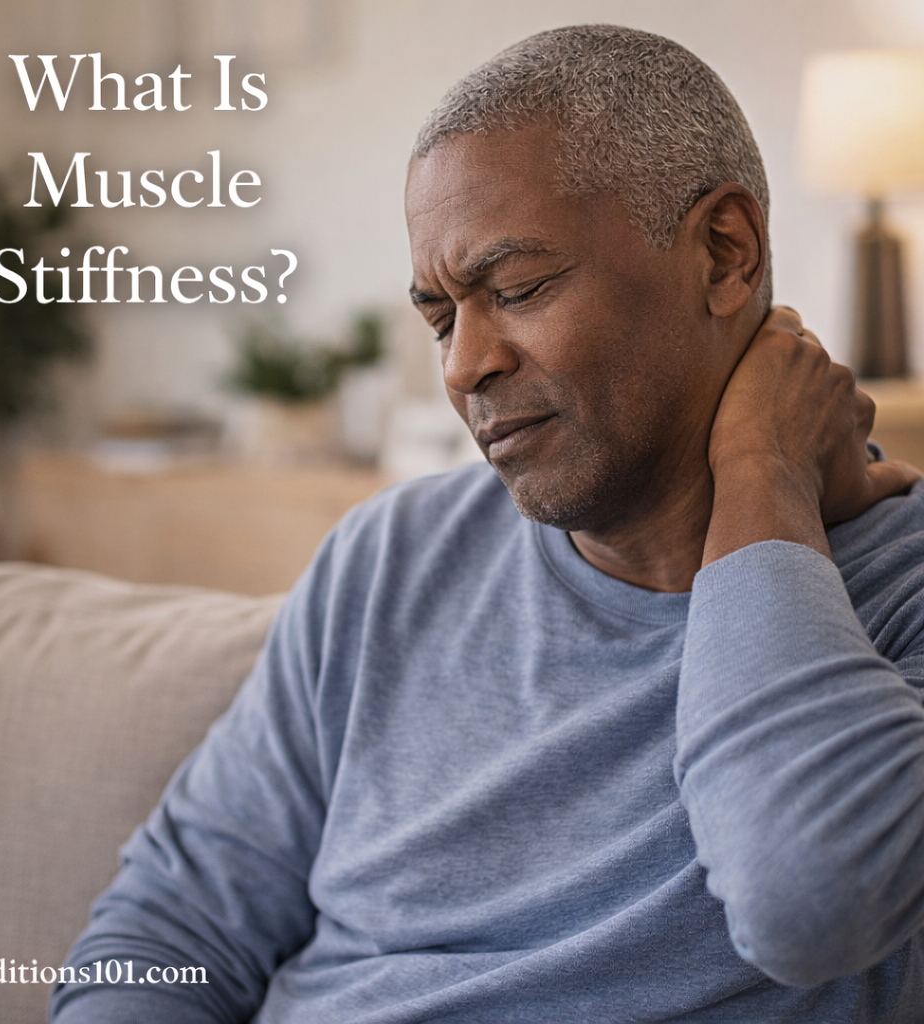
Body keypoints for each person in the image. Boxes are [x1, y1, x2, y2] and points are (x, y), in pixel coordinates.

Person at [51, 25, 924, 1023]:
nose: (465, 366)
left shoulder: (900, 590)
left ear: (724, 253)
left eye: (515, 289)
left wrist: (760, 469)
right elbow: (167, 929)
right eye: (439, 318)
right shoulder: (388, 560)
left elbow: (807, 902)